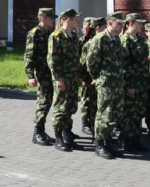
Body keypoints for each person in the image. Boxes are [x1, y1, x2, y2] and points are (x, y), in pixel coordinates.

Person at [86, 12, 126, 159]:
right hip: (106, 83)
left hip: (117, 82)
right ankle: (99, 144)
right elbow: (91, 62)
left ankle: (108, 142)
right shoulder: (100, 39)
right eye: (119, 23)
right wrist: (97, 77)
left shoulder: (116, 39)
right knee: (104, 113)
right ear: (110, 23)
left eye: (122, 23)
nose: (122, 26)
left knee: (114, 113)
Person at [48, 8, 82, 152]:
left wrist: (79, 76)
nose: (78, 21)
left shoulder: (74, 36)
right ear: (68, 20)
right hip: (62, 78)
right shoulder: (56, 36)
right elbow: (52, 60)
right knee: (60, 108)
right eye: (76, 19)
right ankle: (58, 138)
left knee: (70, 107)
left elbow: (77, 58)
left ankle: (67, 135)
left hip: (73, 78)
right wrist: (58, 79)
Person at [24, 8, 56, 146]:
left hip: (49, 72)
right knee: (43, 102)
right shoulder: (34, 33)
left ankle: (42, 131)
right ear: (43, 18)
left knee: (48, 101)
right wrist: (30, 75)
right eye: (50, 18)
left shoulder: (49, 33)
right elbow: (29, 56)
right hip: (41, 72)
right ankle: (37, 133)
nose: (53, 20)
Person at [120, 13, 150, 152]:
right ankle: (127, 141)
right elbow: (123, 66)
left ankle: (136, 139)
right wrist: (128, 85)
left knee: (138, 113)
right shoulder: (125, 40)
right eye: (139, 23)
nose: (142, 26)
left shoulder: (140, 40)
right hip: (131, 84)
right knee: (129, 114)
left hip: (141, 83)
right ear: (131, 23)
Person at [79, 17, 106, 136]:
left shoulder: (100, 40)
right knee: (86, 100)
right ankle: (85, 123)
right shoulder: (86, 41)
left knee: (94, 102)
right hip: (88, 76)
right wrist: (82, 78)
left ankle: (93, 124)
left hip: (96, 76)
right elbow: (83, 62)